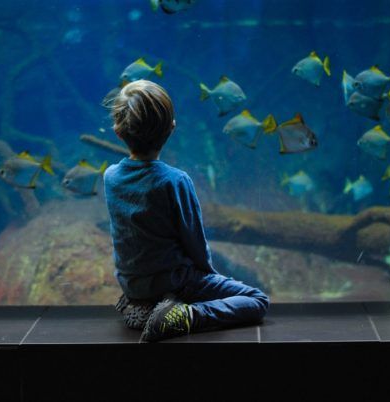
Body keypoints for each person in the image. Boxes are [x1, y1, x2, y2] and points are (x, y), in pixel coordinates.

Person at [103, 80, 269, 342]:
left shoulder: (110, 176)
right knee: (256, 299)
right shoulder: (174, 180)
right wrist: (209, 275)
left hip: (132, 284)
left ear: (117, 131)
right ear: (171, 128)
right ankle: (186, 315)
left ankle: (141, 305)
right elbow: (194, 239)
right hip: (175, 281)